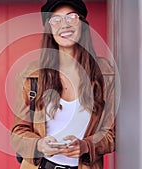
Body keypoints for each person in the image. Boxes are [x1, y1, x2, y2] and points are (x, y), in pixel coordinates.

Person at [11, 0, 116, 168]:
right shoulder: (32, 75)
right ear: (49, 30)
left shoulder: (105, 74)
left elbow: (112, 135)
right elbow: (18, 133)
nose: (64, 25)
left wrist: (86, 146)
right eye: (56, 20)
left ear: (82, 24)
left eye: (71, 17)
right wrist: (39, 145)